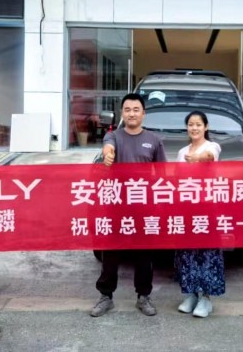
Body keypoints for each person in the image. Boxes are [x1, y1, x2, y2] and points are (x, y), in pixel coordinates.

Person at [90, 93, 167, 318]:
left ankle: (144, 296)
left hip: (143, 206)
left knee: (144, 253)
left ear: (143, 113)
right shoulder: (113, 136)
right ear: (122, 113)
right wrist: (108, 155)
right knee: (110, 252)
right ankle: (106, 296)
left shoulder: (154, 140)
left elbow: (162, 174)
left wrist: (159, 203)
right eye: (127, 109)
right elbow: (108, 147)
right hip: (116, 204)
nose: (131, 114)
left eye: (136, 110)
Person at [174, 110, 224, 318]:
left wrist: (197, 158)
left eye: (198, 124)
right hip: (187, 209)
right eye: (191, 124)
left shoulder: (212, 147)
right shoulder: (181, 152)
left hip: (207, 208)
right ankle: (192, 294)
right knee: (187, 254)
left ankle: (206, 299)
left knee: (207, 253)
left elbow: (208, 157)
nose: (194, 128)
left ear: (206, 127)